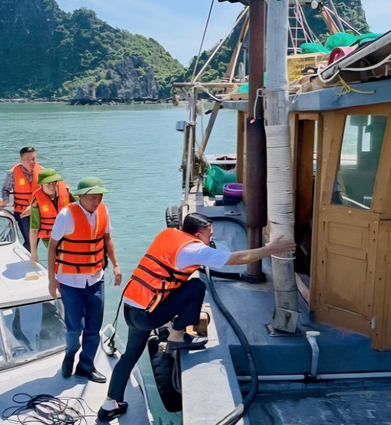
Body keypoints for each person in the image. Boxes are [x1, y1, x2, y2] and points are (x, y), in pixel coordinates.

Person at [97, 213, 296, 422]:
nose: (211, 238)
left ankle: (109, 405)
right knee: (196, 286)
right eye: (209, 234)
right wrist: (272, 249)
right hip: (149, 313)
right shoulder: (194, 249)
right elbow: (237, 259)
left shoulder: (169, 234)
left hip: (132, 306)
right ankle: (176, 336)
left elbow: (169, 272)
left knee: (129, 356)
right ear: (199, 234)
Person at [47, 177, 122, 384]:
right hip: (70, 281)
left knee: (93, 327)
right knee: (74, 329)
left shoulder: (103, 211)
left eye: (99, 197)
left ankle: (86, 365)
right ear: (80, 196)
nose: (96, 202)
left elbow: (107, 239)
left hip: (95, 279)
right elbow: (52, 247)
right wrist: (52, 280)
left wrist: (115, 265)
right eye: (92, 198)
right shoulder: (66, 215)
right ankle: (70, 354)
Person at [0, 147, 42, 251]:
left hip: (38, 212)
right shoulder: (12, 173)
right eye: (27, 159)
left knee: (34, 242)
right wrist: (5, 200)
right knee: (30, 241)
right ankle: (25, 257)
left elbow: (47, 192)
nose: (31, 162)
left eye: (33, 159)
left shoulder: (42, 172)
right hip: (22, 213)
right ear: (21, 160)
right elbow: (5, 189)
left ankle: (27, 256)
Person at [29, 168, 74, 265]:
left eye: (54, 183)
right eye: (48, 184)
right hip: (49, 236)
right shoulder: (36, 202)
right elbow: (34, 229)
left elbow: (80, 207)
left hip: (67, 232)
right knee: (60, 258)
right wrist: (33, 253)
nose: (52, 187)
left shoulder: (66, 192)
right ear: (41, 185)